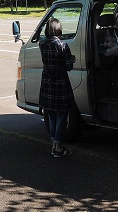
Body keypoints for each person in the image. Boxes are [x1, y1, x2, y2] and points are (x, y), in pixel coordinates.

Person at [39, 17, 76, 158]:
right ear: (58, 29)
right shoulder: (63, 45)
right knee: (62, 115)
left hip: (47, 84)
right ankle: (58, 147)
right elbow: (68, 66)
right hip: (60, 84)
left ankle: (54, 144)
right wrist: (71, 59)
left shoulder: (42, 44)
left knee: (52, 115)